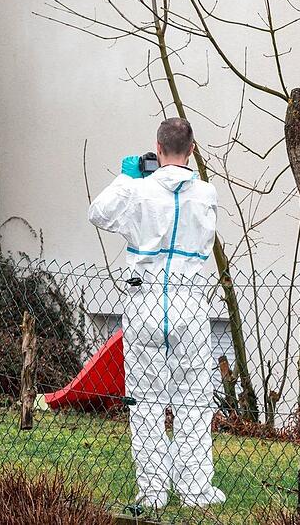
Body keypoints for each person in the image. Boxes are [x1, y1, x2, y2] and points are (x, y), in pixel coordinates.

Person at [88, 118, 224, 511]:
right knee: (194, 398)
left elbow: (98, 213)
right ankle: (196, 488)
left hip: (144, 301)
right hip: (189, 302)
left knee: (145, 401)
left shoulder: (138, 191)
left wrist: (126, 177)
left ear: (157, 149)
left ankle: (152, 491)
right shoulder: (206, 193)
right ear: (193, 150)